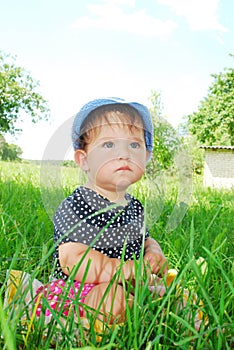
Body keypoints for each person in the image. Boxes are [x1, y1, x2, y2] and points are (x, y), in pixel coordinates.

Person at [35, 97, 168, 324]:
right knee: (112, 299)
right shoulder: (76, 205)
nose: (124, 153)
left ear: (146, 157)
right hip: (78, 290)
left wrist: (153, 252)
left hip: (129, 284)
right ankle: (90, 327)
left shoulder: (134, 207)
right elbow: (72, 259)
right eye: (108, 145)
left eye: (134, 145)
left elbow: (145, 239)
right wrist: (121, 270)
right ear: (84, 160)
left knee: (174, 295)